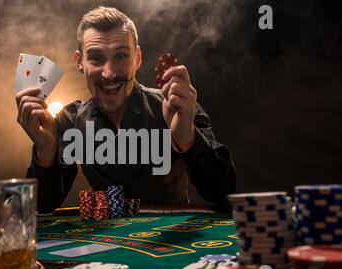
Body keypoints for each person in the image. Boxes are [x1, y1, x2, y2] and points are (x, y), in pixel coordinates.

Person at [15, 6, 236, 213]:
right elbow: (43, 206)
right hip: (104, 243)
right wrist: (45, 152)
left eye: (121, 56)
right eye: (96, 58)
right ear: (80, 61)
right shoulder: (69, 120)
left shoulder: (176, 107)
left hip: (172, 240)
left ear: (137, 58)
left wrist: (187, 138)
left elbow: (223, 193)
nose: (109, 73)